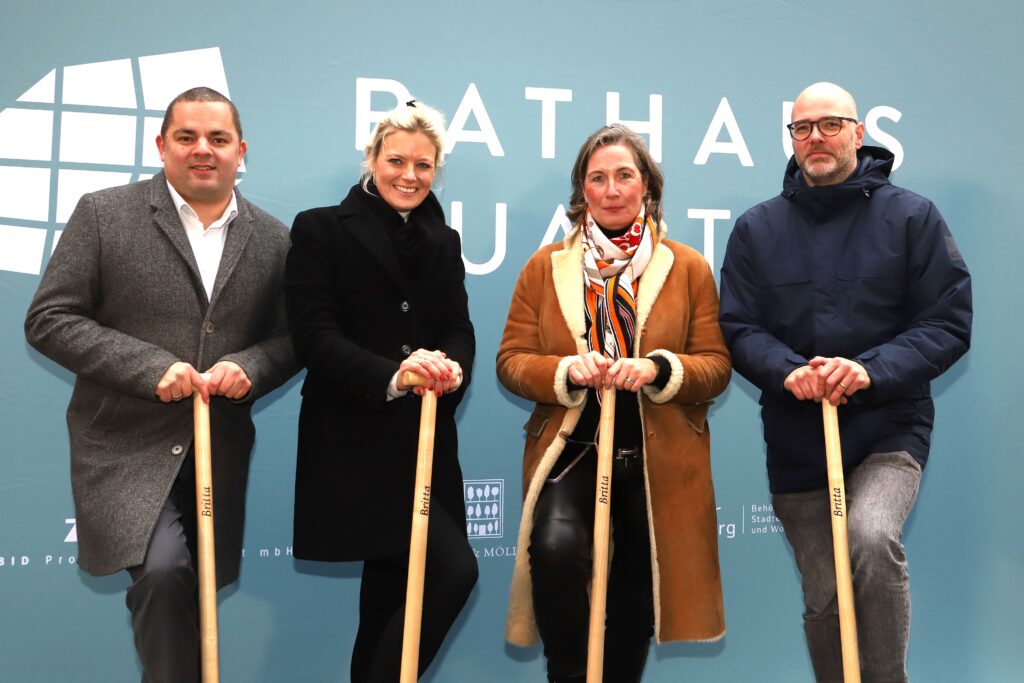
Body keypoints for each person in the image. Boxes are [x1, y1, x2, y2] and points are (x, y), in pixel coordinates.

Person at [24, 87, 297, 682]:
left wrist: (250, 366)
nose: (203, 149)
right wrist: (150, 368)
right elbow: (49, 318)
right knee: (166, 571)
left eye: (218, 138)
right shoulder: (104, 213)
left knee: (190, 594)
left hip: (216, 450)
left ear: (241, 151)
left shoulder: (275, 238)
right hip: (123, 447)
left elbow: (291, 338)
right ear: (161, 145)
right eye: (187, 136)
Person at [718, 82, 972, 682]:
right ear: (791, 139)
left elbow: (946, 322)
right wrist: (788, 371)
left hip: (889, 428)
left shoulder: (912, 217)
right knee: (825, 592)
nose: (816, 138)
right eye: (803, 128)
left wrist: (868, 369)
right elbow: (739, 327)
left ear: (858, 133)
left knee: (870, 537)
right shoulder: (756, 228)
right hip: (798, 437)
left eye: (830, 125)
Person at [497, 123, 732, 683]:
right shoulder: (544, 267)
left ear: (647, 185)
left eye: (624, 175)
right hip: (573, 454)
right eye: (597, 178)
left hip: (659, 463)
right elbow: (512, 361)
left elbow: (716, 367)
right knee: (554, 555)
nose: (611, 189)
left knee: (634, 602)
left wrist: (658, 369)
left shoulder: (688, 267)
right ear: (582, 190)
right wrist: (565, 370)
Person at [285, 100, 477, 683]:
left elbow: (457, 327)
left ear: (437, 169)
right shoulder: (320, 227)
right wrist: (395, 374)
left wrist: (451, 368)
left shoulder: (444, 239)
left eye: (424, 165)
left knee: (390, 599)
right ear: (371, 158)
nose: (409, 176)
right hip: (352, 443)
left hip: (425, 443)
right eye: (396, 160)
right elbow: (313, 336)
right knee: (452, 571)